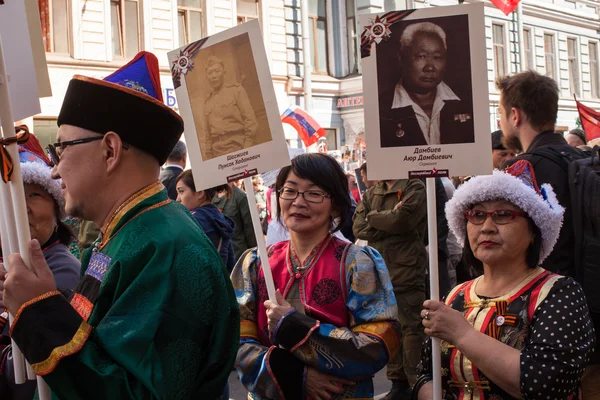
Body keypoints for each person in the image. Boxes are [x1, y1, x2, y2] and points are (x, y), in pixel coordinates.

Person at [0, 51, 239, 399]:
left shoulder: (166, 247)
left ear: (110, 150)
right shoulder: (125, 234)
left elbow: (136, 394)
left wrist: (38, 313)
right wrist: (45, 299)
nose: (54, 170)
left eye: (61, 149)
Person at [414, 160, 594, 399]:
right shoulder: (456, 295)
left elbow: (546, 384)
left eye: (503, 215)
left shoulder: (559, 293)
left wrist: (463, 334)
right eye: (477, 215)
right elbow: (425, 375)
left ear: (533, 230)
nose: (487, 227)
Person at [232, 153, 400, 400]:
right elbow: (236, 341)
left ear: (335, 204)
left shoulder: (357, 263)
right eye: (289, 191)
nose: (298, 202)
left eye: (313, 193)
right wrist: (294, 375)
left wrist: (297, 329)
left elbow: (378, 344)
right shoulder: (255, 263)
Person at [0, 132, 81, 400]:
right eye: (12, 198)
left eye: (34, 195)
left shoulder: (63, 270)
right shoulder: (12, 266)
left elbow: (25, 374)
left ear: (57, 212)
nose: (22, 207)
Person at [353, 177, 427, 399]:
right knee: (390, 328)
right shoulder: (371, 192)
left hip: (407, 270)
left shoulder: (414, 186)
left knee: (412, 329)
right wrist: (388, 220)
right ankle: (398, 383)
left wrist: (373, 218)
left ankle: (418, 383)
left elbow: (402, 221)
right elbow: (358, 228)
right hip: (381, 271)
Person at [379, 22, 474, 147]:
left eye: (437, 57)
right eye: (421, 56)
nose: (430, 67)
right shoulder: (381, 109)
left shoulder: (467, 103)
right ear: (401, 59)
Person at [176, 170, 236, 273]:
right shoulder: (220, 218)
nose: (177, 199)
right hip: (219, 281)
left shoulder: (192, 221)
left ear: (199, 193)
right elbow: (231, 262)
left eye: (181, 191)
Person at [203, 55, 258, 160]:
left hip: (238, 148)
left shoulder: (236, 91)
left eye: (216, 71)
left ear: (224, 72)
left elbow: (251, 122)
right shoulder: (207, 102)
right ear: (207, 77)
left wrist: (246, 150)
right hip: (217, 153)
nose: (213, 76)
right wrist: (209, 158)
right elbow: (207, 136)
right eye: (210, 73)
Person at [213, 182, 257, 260]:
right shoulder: (210, 196)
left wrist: (254, 254)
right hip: (219, 255)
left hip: (238, 254)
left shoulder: (240, 197)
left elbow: (250, 229)